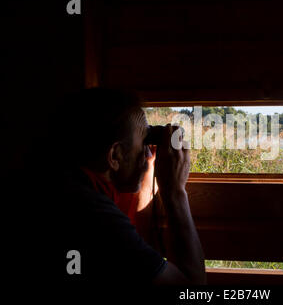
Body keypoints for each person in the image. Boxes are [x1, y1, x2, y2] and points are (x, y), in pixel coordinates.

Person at [54, 88, 205, 284]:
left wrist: (144, 165)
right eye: (143, 143)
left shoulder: (70, 186)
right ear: (115, 155)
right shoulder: (96, 217)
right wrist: (175, 191)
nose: (148, 153)